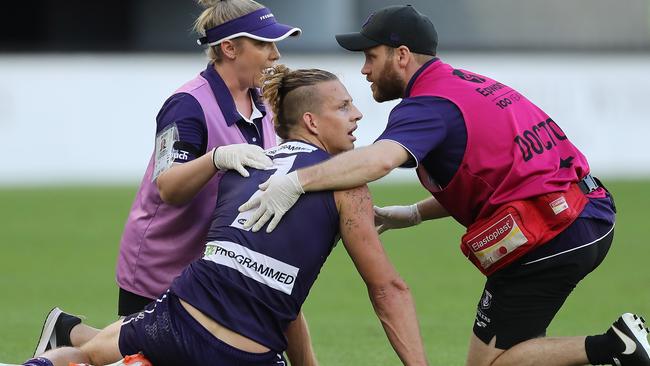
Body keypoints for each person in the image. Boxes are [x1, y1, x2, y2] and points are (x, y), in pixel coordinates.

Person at [237, 5, 650, 366]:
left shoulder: (428, 105)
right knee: (517, 349)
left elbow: (378, 161)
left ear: (401, 56)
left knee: (494, 363)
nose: (364, 69)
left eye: (370, 56)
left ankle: (616, 346)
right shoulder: (466, 84)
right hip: (586, 211)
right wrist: (414, 213)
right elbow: (495, 176)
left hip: (554, 233)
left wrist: (296, 181)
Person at [14, 65, 429, 366]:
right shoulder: (348, 186)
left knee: (87, 354)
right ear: (311, 122)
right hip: (241, 354)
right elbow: (387, 289)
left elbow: (261, 278)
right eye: (343, 107)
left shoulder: (246, 164)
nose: (357, 115)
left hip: (176, 317)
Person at [32, 0, 303, 357]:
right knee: (143, 357)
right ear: (229, 48)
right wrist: (216, 159)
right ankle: (72, 337)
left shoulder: (263, 104)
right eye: (264, 44)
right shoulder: (187, 104)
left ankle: (69, 333)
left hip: (216, 268)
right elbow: (169, 186)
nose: (275, 54)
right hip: (163, 264)